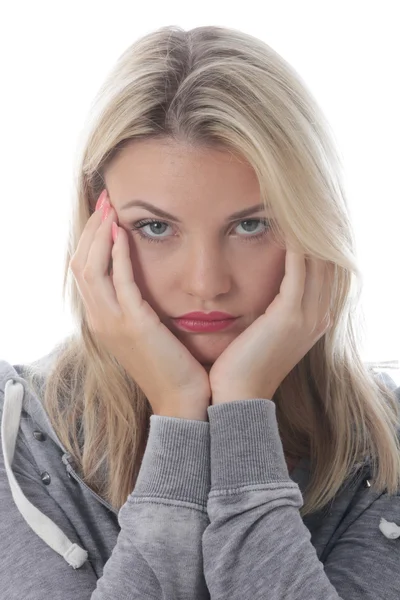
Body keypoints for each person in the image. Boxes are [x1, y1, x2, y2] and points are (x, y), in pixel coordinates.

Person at [1, 24, 399, 600]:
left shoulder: (386, 448)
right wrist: (179, 417)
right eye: (155, 227)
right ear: (96, 224)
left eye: (252, 225)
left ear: (314, 228)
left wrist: (241, 414)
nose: (207, 283)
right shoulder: (17, 438)